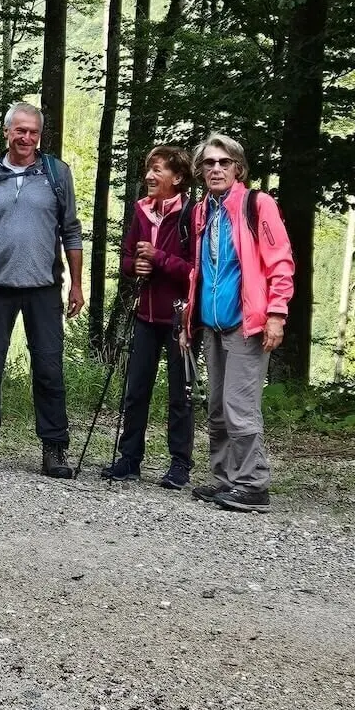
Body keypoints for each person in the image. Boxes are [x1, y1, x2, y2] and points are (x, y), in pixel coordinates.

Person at [0, 102, 84, 478]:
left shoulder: (55, 173)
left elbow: (71, 230)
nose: (26, 137)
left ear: (39, 136)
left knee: (49, 368)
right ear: (7, 131)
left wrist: (76, 284)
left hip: (44, 287)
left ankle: (54, 448)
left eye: (33, 132)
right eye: (20, 130)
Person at [180, 134, 294, 513]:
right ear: (200, 170)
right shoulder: (202, 211)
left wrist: (277, 314)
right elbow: (201, 271)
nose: (216, 168)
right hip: (212, 322)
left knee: (238, 406)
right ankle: (226, 480)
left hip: (248, 323)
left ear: (238, 168)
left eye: (223, 162)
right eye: (209, 163)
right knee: (216, 407)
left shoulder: (256, 205)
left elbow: (280, 261)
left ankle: (253, 485)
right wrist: (188, 319)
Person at [101, 145, 195, 489]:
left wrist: (157, 258)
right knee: (135, 389)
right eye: (148, 169)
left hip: (179, 318)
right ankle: (129, 459)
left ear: (178, 177)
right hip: (144, 314)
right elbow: (127, 258)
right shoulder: (142, 211)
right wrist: (134, 266)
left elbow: (196, 272)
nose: (150, 176)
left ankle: (180, 464)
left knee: (179, 393)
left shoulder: (190, 215)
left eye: (158, 170)